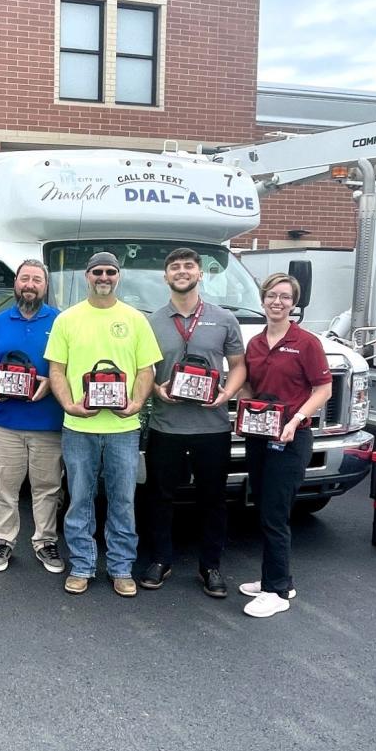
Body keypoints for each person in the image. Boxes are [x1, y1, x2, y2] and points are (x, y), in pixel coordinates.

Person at [45, 251, 161, 597]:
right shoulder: (68, 319)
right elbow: (56, 370)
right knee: (80, 498)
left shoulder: (136, 319)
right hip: (78, 427)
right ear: (87, 276)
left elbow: (146, 370)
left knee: (122, 500)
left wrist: (137, 404)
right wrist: (69, 404)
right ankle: (82, 565)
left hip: (123, 430)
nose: (104, 277)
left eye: (111, 271)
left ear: (118, 277)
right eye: (98, 271)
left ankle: (120, 567)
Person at [140, 248, 246, 597]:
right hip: (166, 426)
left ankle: (210, 566)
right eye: (175, 267)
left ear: (200, 274)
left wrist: (226, 393)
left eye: (188, 266)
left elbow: (239, 365)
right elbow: (146, 371)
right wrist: (156, 389)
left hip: (212, 427)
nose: (182, 272)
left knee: (213, 500)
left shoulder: (224, 319)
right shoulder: (152, 321)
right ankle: (160, 559)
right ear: (165, 276)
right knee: (160, 498)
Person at [237, 272, 332, 619]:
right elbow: (249, 386)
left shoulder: (306, 342)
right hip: (260, 436)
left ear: (294, 303)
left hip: (291, 438)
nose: (278, 302)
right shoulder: (256, 343)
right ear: (262, 300)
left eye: (285, 297)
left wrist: (294, 421)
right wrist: (247, 407)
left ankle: (276, 592)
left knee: (276, 514)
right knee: (263, 506)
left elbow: (323, 389)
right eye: (272, 296)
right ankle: (278, 579)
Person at [0, 259, 65, 574]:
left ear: (45, 285)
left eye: (37, 279)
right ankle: (2, 540)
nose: (30, 284)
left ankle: (45, 541)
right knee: (5, 487)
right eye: (24, 278)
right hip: (4, 422)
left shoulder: (61, 322)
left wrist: (51, 382)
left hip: (48, 424)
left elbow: (69, 368)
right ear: (15, 284)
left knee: (48, 487)